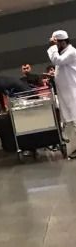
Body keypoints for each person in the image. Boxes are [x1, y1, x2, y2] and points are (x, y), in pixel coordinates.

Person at [48, 30, 76, 158]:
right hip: (65, 94)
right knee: (70, 123)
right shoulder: (63, 52)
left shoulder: (71, 52)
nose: (55, 46)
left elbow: (57, 61)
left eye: (57, 43)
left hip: (72, 92)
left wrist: (52, 47)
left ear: (63, 42)